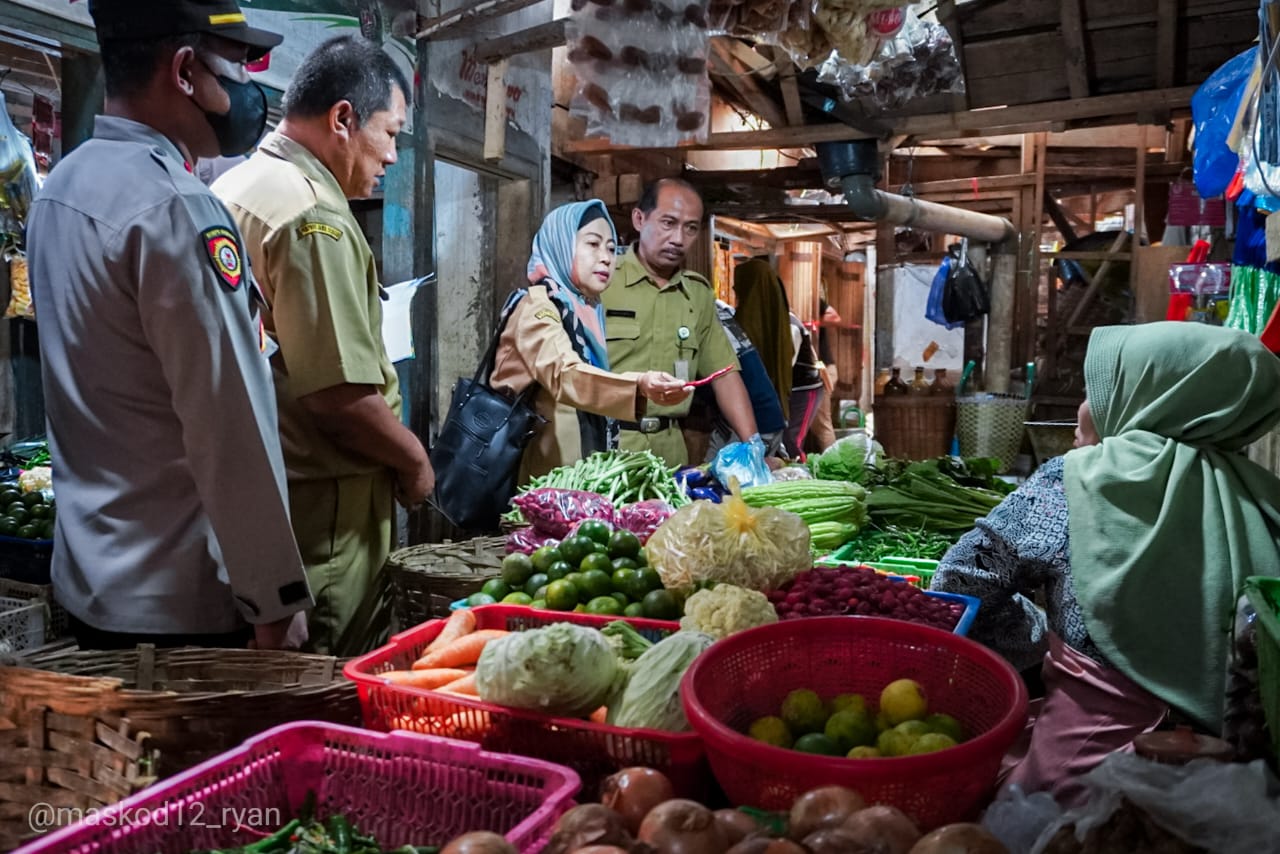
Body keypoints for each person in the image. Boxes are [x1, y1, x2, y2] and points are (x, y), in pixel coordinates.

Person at [26, 0, 312, 650]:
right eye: (238, 66)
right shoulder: (179, 209)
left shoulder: (61, 190)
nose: (248, 89)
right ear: (186, 71)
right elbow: (228, 423)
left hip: (92, 590)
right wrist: (275, 601)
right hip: (185, 609)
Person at [929, 322, 1280, 806]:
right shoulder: (1263, 500)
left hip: (1085, 783)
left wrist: (1033, 638)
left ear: (1149, 398)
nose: (1082, 408)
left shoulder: (1075, 481)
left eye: (1096, 390)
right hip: (1235, 791)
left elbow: (959, 584)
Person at [212, 35, 430, 655]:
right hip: (325, 513)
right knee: (330, 679)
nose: (392, 155)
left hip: (267, 499)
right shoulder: (315, 217)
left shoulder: (241, 185)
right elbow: (338, 396)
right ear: (342, 119)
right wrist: (414, 460)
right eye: (389, 133)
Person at [490, 200, 691, 482]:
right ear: (561, 243)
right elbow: (565, 374)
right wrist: (638, 385)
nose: (607, 258)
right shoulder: (538, 307)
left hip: (570, 481)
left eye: (611, 248)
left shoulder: (584, 310)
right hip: (536, 485)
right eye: (592, 244)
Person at [603, 178, 759, 467]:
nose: (678, 239)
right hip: (606, 446)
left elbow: (724, 374)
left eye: (690, 228)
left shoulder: (697, 295)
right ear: (639, 219)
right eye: (668, 223)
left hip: (670, 451)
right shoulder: (602, 280)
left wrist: (754, 447)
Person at [732, 257, 793, 420]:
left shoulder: (743, 322)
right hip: (773, 405)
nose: (733, 287)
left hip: (751, 407)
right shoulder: (779, 317)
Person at [785, 312, 824, 457]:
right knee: (784, 439)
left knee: (792, 440)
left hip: (804, 390)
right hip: (788, 389)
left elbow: (787, 364)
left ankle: (798, 473)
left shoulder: (790, 325)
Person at [807, 294, 843, 451]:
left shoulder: (813, 300)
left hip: (824, 370)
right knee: (814, 425)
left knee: (821, 425)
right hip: (815, 371)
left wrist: (813, 324)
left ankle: (835, 465)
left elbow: (835, 318)